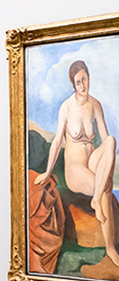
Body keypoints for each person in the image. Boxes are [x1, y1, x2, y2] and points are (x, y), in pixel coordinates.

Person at [39, 58, 119, 267]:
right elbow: (57, 141)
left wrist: (106, 171)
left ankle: (97, 202)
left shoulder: (95, 105)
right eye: (78, 82)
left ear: (89, 77)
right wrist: (47, 172)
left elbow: (105, 140)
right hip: (74, 168)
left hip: (91, 161)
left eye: (85, 79)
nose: (83, 85)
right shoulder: (66, 107)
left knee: (111, 141)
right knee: (105, 191)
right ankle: (110, 248)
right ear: (73, 84)